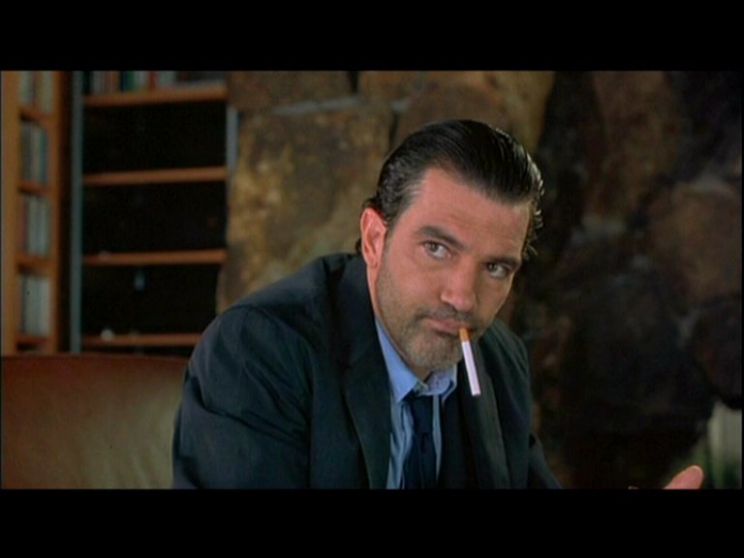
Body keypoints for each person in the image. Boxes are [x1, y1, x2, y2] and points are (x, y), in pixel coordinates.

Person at [172, 119, 703, 489]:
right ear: (374, 239)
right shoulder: (259, 351)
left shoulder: (497, 361)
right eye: (437, 248)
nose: (463, 297)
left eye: (495, 268)